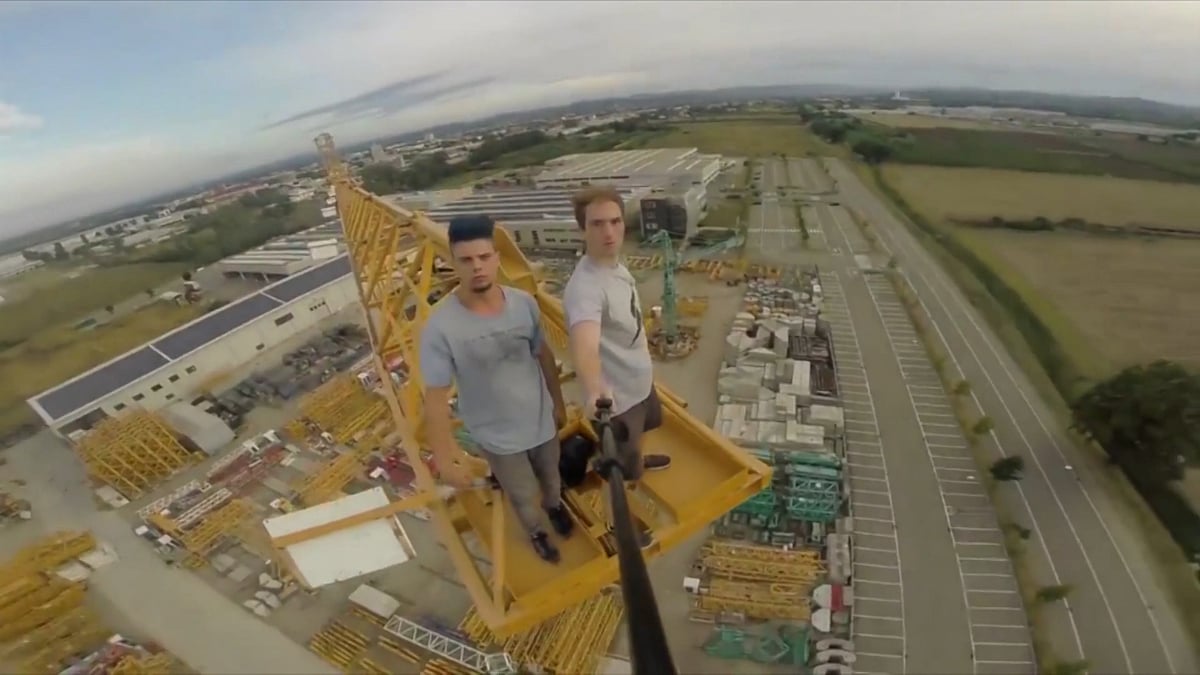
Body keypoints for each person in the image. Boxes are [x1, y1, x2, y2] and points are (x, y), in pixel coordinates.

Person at [419, 214, 573, 563]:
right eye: (466, 260)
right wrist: (444, 459)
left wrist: (558, 404)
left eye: (484, 257)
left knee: (552, 480)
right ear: (453, 263)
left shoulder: (524, 304)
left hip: (541, 424)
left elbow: (543, 355)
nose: (477, 267)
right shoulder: (441, 328)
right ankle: (536, 532)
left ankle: (554, 508)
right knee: (522, 494)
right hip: (499, 440)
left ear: (496, 258)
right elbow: (436, 398)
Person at [562, 186, 672, 546]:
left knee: (646, 429)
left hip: (638, 384)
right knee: (618, 471)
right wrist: (595, 390)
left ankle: (636, 459)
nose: (608, 232)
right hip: (618, 400)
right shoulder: (586, 288)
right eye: (597, 224)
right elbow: (585, 344)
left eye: (615, 221)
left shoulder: (615, 267)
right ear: (583, 230)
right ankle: (617, 527)